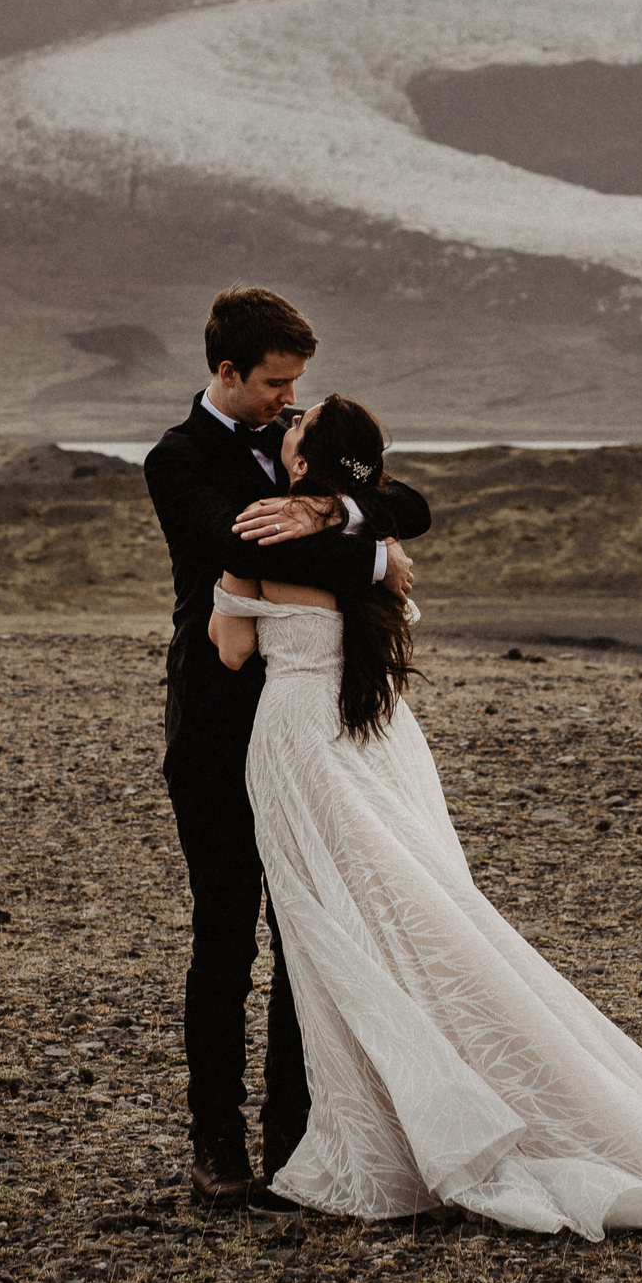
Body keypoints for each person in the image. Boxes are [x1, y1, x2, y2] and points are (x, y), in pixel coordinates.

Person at [209, 396, 642, 1239]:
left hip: (299, 741)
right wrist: (368, 549)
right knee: (407, 912)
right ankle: (410, 1112)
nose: (287, 417)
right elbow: (387, 553)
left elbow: (234, 648)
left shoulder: (271, 534)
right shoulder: (375, 545)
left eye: (298, 422)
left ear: (302, 460)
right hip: (378, 739)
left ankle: (394, 1131)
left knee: (336, 928)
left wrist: (231, 579)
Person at [143, 287, 432, 1210]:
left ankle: (300, 1136)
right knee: (225, 935)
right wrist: (371, 551)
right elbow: (233, 543)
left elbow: (411, 501)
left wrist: (337, 512)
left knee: (310, 931)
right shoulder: (177, 459)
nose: (288, 398)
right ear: (227, 371)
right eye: (275, 382)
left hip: (311, 737)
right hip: (221, 729)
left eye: (295, 383)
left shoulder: (298, 441)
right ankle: (215, 1145)